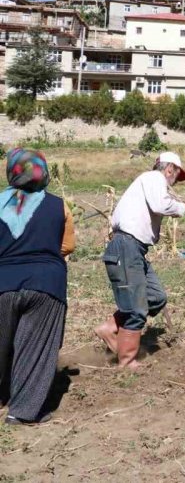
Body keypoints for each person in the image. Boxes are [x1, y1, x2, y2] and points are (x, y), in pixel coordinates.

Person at [94, 151, 185, 369]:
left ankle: (110, 328)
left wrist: (183, 206)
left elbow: (161, 203)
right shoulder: (153, 178)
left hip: (136, 249)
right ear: (170, 169)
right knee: (136, 311)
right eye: (177, 177)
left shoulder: (149, 183)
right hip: (126, 246)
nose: (175, 182)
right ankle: (127, 362)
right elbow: (160, 205)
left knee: (156, 297)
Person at [0, 149, 75, 425]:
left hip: (2, 282)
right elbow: (68, 246)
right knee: (35, 348)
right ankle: (22, 412)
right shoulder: (59, 205)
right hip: (46, 283)